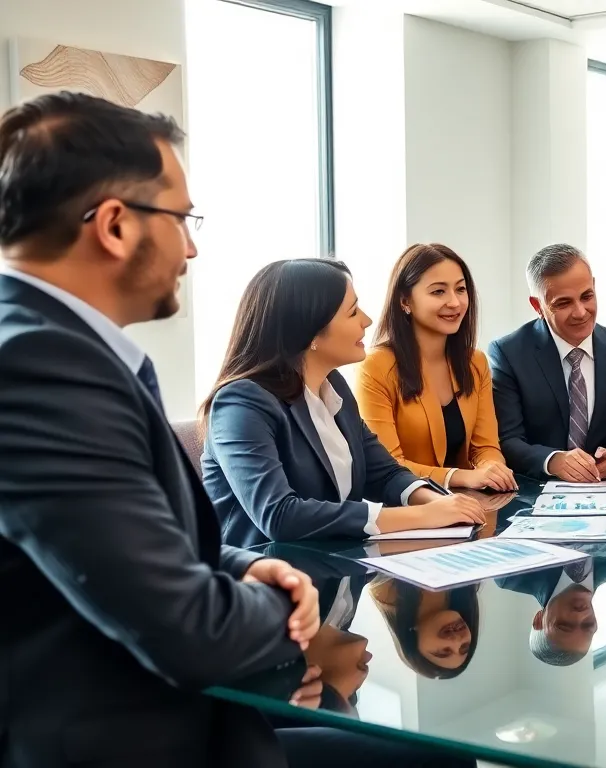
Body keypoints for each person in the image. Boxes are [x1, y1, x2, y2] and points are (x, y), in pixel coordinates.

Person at [0, 92, 454, 767]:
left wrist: (244, 565)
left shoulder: (66, 351)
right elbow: (187, 627)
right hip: (133, 736)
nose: (190, 247)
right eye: (181, 219)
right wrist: (288, 602)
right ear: (116, 226)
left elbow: (140, 550)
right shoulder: (41, 368)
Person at [202, 258, 486, 548]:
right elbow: (279, 516)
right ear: (310, 331)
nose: (367, 320)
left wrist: (438, 503)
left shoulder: (333, 385)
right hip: (263, 570)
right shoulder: (240, 404)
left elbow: (385, 473)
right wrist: (422, 516)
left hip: (332, 564)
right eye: (352, 312)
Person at [355, 243, 516, 493]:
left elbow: (485, 447)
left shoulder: (475, 362)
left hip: (469, 502)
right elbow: (387, 465)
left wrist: (492, 468)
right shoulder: (376, 366)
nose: (455, 302)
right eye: (438, 292)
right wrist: (459, 476)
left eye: (460, 289)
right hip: (408, 505)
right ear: (405, 301)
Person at [488, 244, 606, 482]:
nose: (580, 312)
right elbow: (507, 439)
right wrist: (553, 461)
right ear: (538, 306)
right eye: (563, 303)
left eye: (587, 296)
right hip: (537, 489)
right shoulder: (508, 353)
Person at [496, 526, 606, 666]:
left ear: (539, 620)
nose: (580, 615)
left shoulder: (509, 572)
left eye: (564, 624)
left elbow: (499, 514)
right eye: (588, 625)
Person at [369, 578, 481, 678]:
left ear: (413, 644)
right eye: (464, 647)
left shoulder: (386, 594)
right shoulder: (465, 586)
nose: (457, 641)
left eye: (443, 652)